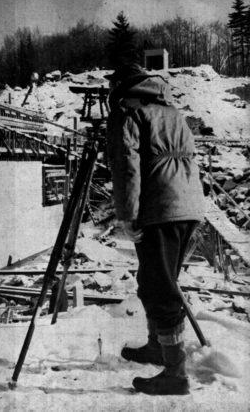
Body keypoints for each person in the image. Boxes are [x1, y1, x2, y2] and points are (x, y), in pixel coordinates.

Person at [105, 63, 204, 395]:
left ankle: (176, 373)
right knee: (154, 281)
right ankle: (157, 347)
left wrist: (127, 215)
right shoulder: (172, 113)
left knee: (160, 289)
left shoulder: (130, 114)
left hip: (161, 208)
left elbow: (127, 167)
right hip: (188, 207)